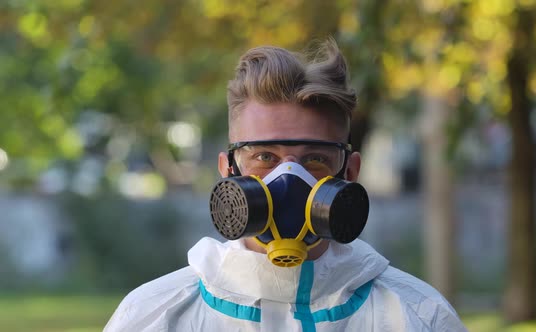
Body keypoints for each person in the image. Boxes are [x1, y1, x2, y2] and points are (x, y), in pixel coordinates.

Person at [105, 39, 467, 331]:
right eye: (264, 157)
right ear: (228, 170)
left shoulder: (417, 317)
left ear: (350, 171)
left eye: (315, 159)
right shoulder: (154, 317)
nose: (290, 179)